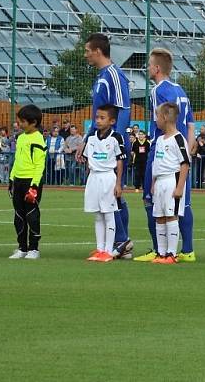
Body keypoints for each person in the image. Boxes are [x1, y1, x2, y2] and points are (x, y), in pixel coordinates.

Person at [134, 48, 197, 263]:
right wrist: (186, 150)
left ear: (157, 68)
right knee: (182, 202)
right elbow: (190, 124)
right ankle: (187, 250)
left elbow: (157, 124)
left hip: (161, 150)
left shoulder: (157, 91)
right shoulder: (181, 91)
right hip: (180, 150)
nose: (148, 69)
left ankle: (158, 249)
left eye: (150, 65)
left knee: (150, 199)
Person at [82, 33, 132, 256]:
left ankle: (121, 240)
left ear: (98, 51)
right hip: (99, 143)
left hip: (111, 146)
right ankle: (121, 241)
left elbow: (123, 108)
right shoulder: (101, 76)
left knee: (113, 192)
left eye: (87, 50)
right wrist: (88, 142)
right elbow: (97, 117)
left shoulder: (114, 75)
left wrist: (115, 141)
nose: (85, 55)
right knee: (110, 193)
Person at [83, 105, 126, 262]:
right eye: (97, 118)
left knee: (108, 213)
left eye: (102, 118)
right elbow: (87, 159)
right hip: (94, 178)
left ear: (112, 120)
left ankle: (108, 250)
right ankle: (99, 249)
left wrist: (118, 183)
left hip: (108, 177)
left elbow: (120, 161)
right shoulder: (91, 138)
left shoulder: (116, 138)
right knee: (97, 215)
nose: (98, 121)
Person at [149, 103, 191, 264]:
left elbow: (185, 163)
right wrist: (153, 182)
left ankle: (171, 254)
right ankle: (161, 253)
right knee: (159, 216)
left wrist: (180, 187)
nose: (156, 120)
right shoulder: (160, 139)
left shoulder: (178, 138)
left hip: (172, 180)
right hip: (159, 181)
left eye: (158, 116)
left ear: (165, 117)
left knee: (171, 216)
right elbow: (156, 163)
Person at [8, 105, 46, 260]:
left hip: (31, 182)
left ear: (34, 122)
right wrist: (11, 179)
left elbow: (39, 164)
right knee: (19, 216)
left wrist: (34, 185)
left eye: (23, 122)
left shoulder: (38, 139)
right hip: (18, 181)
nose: (20, 124)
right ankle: (22, 248)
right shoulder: (21, 137)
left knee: (32, 215)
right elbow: (17, 160)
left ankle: (34, 249)